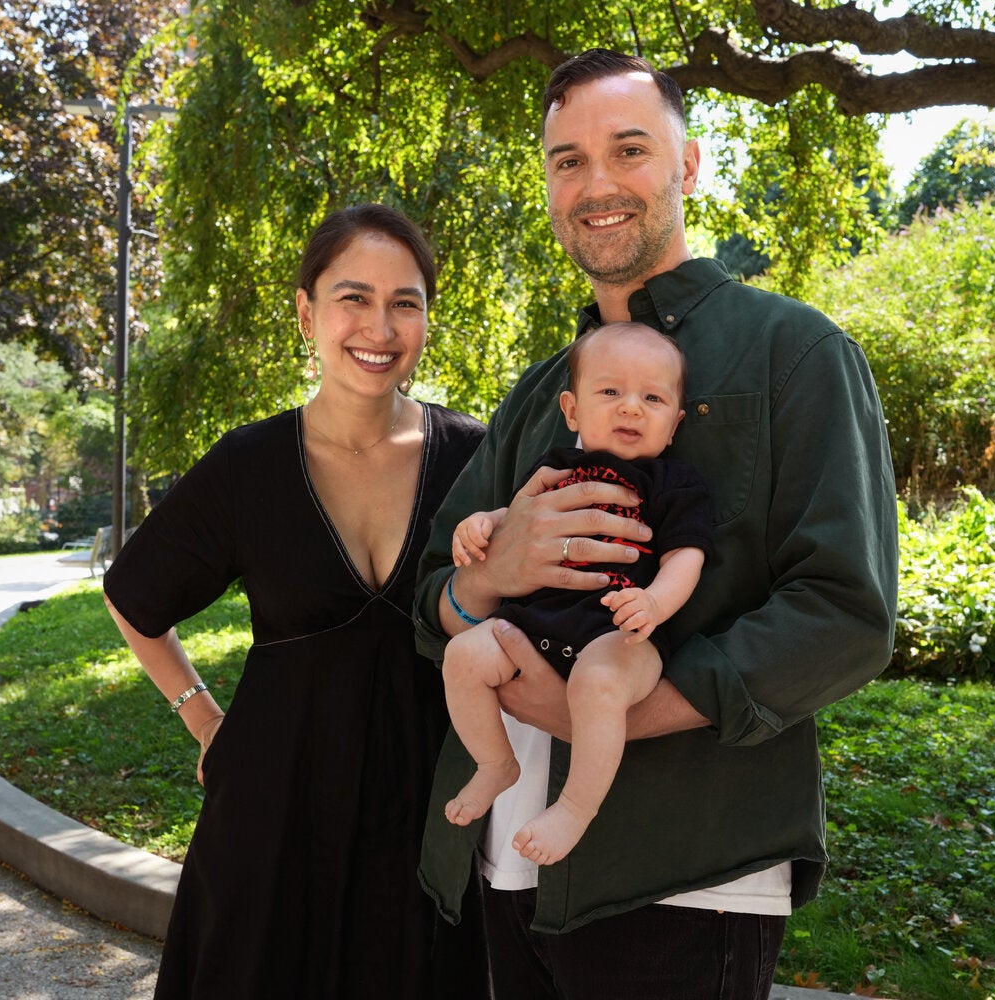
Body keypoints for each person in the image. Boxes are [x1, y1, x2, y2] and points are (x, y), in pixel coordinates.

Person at [414, 49, 900, 999]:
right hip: (504, 862)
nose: (597, 185)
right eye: (567, 161)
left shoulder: (795, 352)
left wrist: (610, 715)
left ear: (688, 166)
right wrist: (485, 575)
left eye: (629, 150)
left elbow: (845, 613)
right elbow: (430, 592)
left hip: (688, 874)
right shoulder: (540, 394)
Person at [103, 204, 488, 999]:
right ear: (308, 312)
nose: (379, 327)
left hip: (427, 818)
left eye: (404, 303)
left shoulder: (476, 459)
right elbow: (134, 597)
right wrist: (204, 719)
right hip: (272, 817)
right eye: (354, 298)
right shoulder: (248, 465)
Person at [441, 321, 711, 867]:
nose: (631, 408)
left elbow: (688, 555)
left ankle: (574, 808)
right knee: (463, 656)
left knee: (599, 681)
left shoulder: (672, 482)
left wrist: (654, 604)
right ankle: (495, 763)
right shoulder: (554, 468)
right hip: (534, 627)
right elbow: (515, 519)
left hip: (618, 633)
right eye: (610, 392)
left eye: (652, 398)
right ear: (571, 410)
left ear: (675, 422)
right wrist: (481, 524)